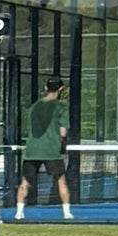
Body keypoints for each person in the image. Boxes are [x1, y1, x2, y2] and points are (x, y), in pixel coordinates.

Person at [15, 73, 73, 220]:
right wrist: (62, 149)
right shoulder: (61, 107)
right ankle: (67, 213)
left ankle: (19, 213)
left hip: (32, 151)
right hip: (51, 151)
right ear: (60, 89)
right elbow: (63, 133)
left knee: (25, 182)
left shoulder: (34, 106)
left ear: (46, 88)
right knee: (61, 180)